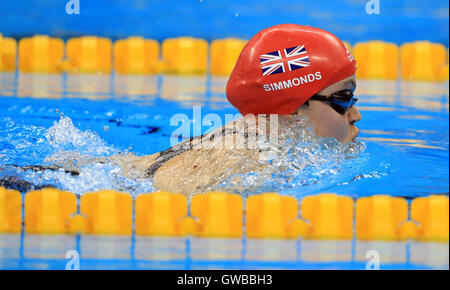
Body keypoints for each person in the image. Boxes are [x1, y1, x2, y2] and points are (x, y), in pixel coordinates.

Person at [2, 24, 362, 195]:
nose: (355, 114)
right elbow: (161, 203)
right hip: (51, 185)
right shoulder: (247, 155)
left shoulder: (258, 140)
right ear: (293, 108)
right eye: (343, 98)